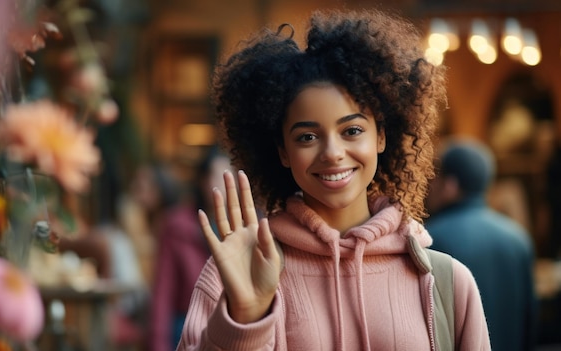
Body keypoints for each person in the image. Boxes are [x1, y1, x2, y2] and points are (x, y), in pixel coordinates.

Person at [177, 8, 490, 351]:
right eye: (307, 137)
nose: (332, 152)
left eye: (352, 130)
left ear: (381, 136)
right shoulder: (239, 274)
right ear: (282, 151)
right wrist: (245, 320)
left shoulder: (446, 284)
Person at [425, 138, 538, 351]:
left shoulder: (431, 239)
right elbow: (529, 321)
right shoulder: (518, 238)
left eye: (435, 178)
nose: (430, 186)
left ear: (451, 185)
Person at [148, 148, 232, 351]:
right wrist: (158, 343)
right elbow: (163, 291)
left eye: (226, 177)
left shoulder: (245, 228)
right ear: (202, 180)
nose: (219, 185)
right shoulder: (177, 226)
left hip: (232, 327)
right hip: (187, 326)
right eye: (214, 176)